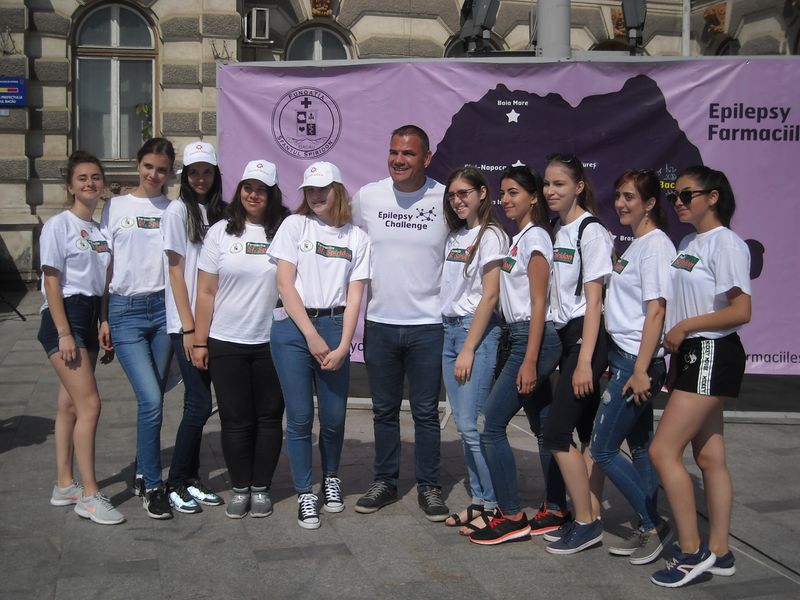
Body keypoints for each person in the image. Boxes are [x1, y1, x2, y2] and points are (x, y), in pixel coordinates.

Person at [649, 166, 751, 588]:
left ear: (713, 197)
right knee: (709, 456)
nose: (678, 201)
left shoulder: (726, 243)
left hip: (710, 350)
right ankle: (720, 552)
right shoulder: (689, 242)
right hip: (693, 353)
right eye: (675, 195)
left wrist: (685, 326)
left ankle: (692, 552)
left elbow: (741, 311)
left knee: (662, 451)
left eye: (687, 195)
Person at [351, 125, 450, 521]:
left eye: (408, 153)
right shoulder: (368, 196)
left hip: (429, 324)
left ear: (426, 158)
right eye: (394, 152)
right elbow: (338, 230)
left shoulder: (446, 198)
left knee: (425, 412)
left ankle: (429, 486)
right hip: (380, 323)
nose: (398, 160)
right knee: (384, 411)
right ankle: (385, 481)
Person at [269, 161, 371, 529]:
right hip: (293, 329)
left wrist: (343, 346)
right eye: (309, 190)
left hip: (334, 327)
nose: (315, 195)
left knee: (334, 417)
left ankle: (331, 478)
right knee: (299, 418)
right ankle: (304, 493)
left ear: (338, 190)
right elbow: (285, 284)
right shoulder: (295, 225)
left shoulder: (357, 238)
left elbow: (355, 297)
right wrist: (311, 336)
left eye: (322, 189)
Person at [469, 165, 563, 545]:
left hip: (531, 340)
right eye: (503, 193)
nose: (505, 200)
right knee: (544, 429)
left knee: (489, 425)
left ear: (533, 197)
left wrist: (529, 359)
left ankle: (511, 516)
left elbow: (539, 303)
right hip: (520, 337)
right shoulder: (518, 237)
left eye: (514, 193)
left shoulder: (536, 236)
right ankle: (555, 508)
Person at [192, 160, 288, 519]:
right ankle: (240, 487)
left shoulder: (285, 230)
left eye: (262, 189)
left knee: (269, 417)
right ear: (240, 190)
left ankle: (261, 488)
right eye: (249, 187)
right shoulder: (221, 232)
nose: (254, 195)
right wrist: (199, 341)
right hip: (226, 340)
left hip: (273, 341)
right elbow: (205, 291)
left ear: (273, 194)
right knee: (235, 419)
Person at [589, 169, 675, 565]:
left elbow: (657, 310)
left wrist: (641, 370)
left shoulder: (655, 246)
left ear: (650, 203)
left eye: (630, 197)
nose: (621, 204)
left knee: (603, 449)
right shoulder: (638, 244)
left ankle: (653, 522)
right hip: (626, 358)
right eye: (619, 196)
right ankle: (650, 528)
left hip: (635, 364)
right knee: (641, 447)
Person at [38, 150, 124, 525]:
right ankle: (89, 495)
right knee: (90, 404)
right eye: (82, 178)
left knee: (69, 406)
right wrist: (64, 333)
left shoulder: (102, 231)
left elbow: (103, 283)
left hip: (90, 315)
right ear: (70, 186)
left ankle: (64, 484)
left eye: (95, 177)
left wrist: (103, 320)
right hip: (66, 315)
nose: (90, 183)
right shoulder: (59, 225)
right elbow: (51, 281)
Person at [540, 153, 613, 554]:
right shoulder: (556, 228)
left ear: (579, 187)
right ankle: (591, 514)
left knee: (555, 433)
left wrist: (585, 360)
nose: (550, 191)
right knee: (586, 434)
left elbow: (595, 300)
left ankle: (584, 522)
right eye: (547, 184)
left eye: (560, 184)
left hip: (587, 340)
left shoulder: (591, 231)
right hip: (567, 338)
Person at [101, 137, 175, 519]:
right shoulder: (114, 207)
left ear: (169, 173)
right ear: (138, 164)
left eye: (161, 170)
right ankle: (153, 485)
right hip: (125, 311)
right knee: (151, 399)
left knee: (154, 398)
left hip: (163, 311)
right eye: (148, 166)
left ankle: (143, 471)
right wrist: (102, 317)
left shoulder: (173, 209)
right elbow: (105, 265)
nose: (153, 175)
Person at [438, 167, 508, 534]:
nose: (457, 200)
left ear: (482, 193)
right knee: (465, 427)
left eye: (464, 193)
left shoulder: (491, 235)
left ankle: (494, 505)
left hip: (474, 334)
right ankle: (479, 501)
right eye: (452, 195)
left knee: (471, 424)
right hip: (449, 331)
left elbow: (490, 295)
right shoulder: (455, 236)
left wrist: (468, 348)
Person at [162, 141, 226, 513]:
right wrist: (189, 328)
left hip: (215, 322)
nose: (200, 178)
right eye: (194, 172)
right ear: (184, 176)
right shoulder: (177, 211)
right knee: (199, 403)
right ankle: (175, 482)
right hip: (187, 324)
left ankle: (191, 478)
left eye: (206, 171)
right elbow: (175, 271)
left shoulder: (220, 213)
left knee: (198, 403)